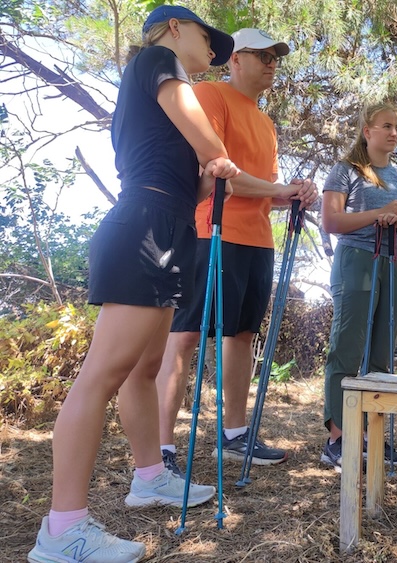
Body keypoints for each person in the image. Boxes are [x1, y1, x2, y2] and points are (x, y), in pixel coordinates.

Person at [28, 6, 240, 562]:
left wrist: (250, 182)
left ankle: (150, 476)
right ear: (174, 29)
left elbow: (198, 185)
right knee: (100, 375)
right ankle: (62, 529)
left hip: (165, 225)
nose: (213, 51)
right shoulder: (156, 60)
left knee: (143, 369)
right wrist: (217, 156)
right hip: (145, 227)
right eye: (205, 37)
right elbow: (209, 146)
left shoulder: (158, 96)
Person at [153, 28, 319, 477]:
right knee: (184, 336)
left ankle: (234, 436)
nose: (271, 63)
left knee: (242, 335)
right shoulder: (209, 95)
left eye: (275, 56)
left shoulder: (266, 123)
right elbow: (220, 171)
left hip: (257, 240)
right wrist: (280, 188)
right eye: (261, 55)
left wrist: (296, 193)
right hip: (211, 233)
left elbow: (265, 189)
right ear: (235, 61)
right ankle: (161, 447)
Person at [320, 101, 397, 472]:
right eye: (386, 126)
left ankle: (373, 436)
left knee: (382, 352)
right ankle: (338, 439)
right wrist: (378, 213)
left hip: (395, 262)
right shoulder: (346, 171)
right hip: (357, 262)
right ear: (367, 131)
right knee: (347, 347)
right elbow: (331, 220)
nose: (394, 133)